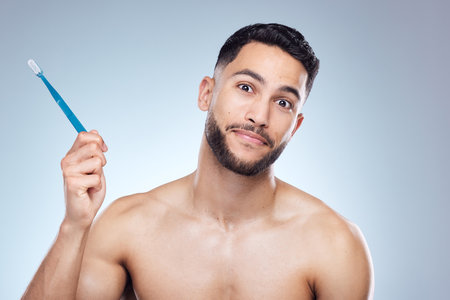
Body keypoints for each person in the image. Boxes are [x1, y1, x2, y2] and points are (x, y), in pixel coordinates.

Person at [22, 23, 374, 299]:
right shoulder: (127, 227)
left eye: (283, 102)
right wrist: (74, 226)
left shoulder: (335, 245)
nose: (259, 115)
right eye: (246, 88)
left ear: (295, 126)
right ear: (207, 93)